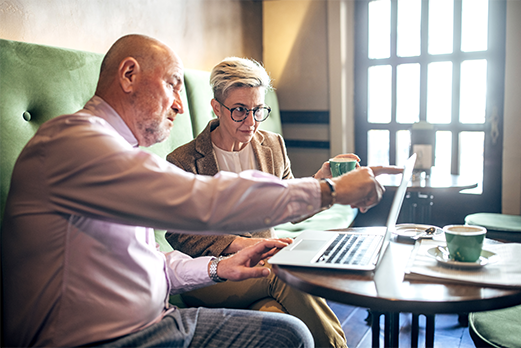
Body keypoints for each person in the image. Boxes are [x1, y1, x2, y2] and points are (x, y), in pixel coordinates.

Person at [2, 34, 398, 348]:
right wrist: (328, 189)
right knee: (285, 317)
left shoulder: (117, 154)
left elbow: (151, 260)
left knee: (286, 330)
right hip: (101, 339)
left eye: (257, 110)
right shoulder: (78, 145)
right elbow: (201, 199)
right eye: (173, 84)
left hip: (157, 320)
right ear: (128, 75)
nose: (178, 104)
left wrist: (218, 268)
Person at [166, 56, 360, 348]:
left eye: (258, 110)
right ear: (216, 107)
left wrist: (322, 181)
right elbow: (179, 234)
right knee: (285, 274)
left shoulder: (272, 145)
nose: (251, 121)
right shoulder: (184, 160)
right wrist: (244, 246)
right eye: (240, 111)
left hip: (265, 267)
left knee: (280, 320)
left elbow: (289, 205)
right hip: (215, 273)